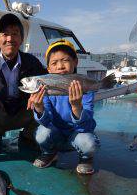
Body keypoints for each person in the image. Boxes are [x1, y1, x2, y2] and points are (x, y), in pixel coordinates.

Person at [0, 13, 46, 154]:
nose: (10, 39)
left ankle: (27, 136)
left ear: (21, 39)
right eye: (5, 34)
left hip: (24, 111)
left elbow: (44, 82)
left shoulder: (32, 62)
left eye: (15, 34)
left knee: (43, 102)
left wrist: (37, 94)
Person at [28, 40, 98, 174]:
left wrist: (77, 107)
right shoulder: (45, 89)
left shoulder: (85, 87)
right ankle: (50, 153)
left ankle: (86, 158)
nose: (60, 66)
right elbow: (46, 122)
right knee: (41, 133)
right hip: (56, 134)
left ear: (75, 62)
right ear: (48, 69)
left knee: (88, 142)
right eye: (54, 63)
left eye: (65, 60)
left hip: (77, 133)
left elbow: (88, 126)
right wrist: (39, 108)